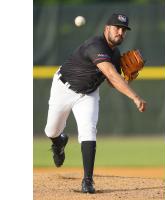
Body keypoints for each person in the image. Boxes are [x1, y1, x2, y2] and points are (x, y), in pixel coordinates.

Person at [44, 13, 146, 194]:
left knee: (88, 130)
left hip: (88, 95)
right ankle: (59, 142)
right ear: (107, 28)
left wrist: (128, 79)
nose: (120, 32)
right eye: (117, 28)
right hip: (63, 88)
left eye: (124, 30)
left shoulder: (115, 54)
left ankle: (87, 181)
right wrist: (135, 97)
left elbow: (110, 82)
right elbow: (112, 76)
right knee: (51, 130)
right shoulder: (95, 45)